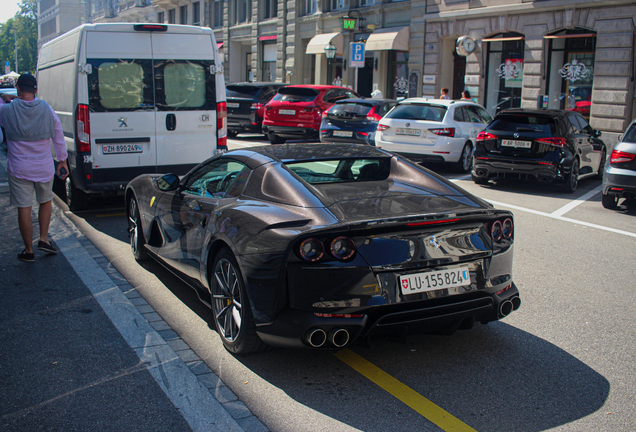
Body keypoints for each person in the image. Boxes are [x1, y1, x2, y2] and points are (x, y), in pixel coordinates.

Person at [0, 73, 68, 262]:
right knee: (45, 201)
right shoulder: (47, 110)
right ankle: (44, 239)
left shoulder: (6, 110)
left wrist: (9, 99)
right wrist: (62, 160)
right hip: (43, 166)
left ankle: (28, 250)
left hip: (19, 167)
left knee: (24, 207)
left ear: (18, 89)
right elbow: (58, 135)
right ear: (36, 90)